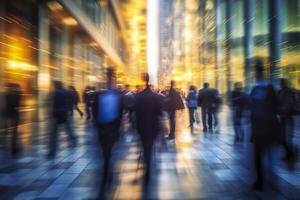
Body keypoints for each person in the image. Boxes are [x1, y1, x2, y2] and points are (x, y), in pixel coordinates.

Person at [249, 59, 281, 190]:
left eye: (256, 71)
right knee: (260, 154)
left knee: (265, 154)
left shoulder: (266, 88)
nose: (255, 74)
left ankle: (266, 180)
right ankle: (262, 180)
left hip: (266, 126)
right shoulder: (257, 88)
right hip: (259, 127)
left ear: (260, 72)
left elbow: (274, 108)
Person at [92, 68, 124, 197]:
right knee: (107, 154)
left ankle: (107, 175)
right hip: (109, 129)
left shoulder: (100, 94)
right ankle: (108, 174)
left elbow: (94, 112)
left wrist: (98, 123)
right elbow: (120, 114)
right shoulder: (116, 95)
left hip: (104, 129)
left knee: (106, 154)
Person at [135, 73, 163, 189]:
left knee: (145, 146)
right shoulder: (156, 96)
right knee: (149, 147)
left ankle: (146, 165)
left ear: (142, 80)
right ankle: (148, 166)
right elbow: (160, 113)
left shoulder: (138, 96)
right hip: (153, 127)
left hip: (142, 127)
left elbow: (135, 113)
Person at [48, 81, 77, 157]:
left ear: (56, 85)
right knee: (69, 129)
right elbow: (71, 101)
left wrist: (52, 113)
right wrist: (69, 110)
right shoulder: (67, 92)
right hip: (65, 113)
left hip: (57, 114)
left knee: (54, 133)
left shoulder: (55, 92)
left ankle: (52, 150)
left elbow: (53, 104)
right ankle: (74, 140)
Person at [277, 78, 295, 162]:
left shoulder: (288, 92)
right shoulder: (280, 92)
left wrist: (281, 110)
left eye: (281, 83)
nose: (280, 84)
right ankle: (289, 153)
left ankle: (290, 154)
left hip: (287, 117)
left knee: (286, 138)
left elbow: (289, 104)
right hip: (283, 117)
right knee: (281, 138)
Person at [4, 83, 21, 154]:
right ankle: (14, 148)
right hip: (14, 115)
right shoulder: (15, 95)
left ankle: (13, 147)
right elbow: (17, 105)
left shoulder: (6, 94)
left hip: (9, 115)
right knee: (14, 132)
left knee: (13, 132)